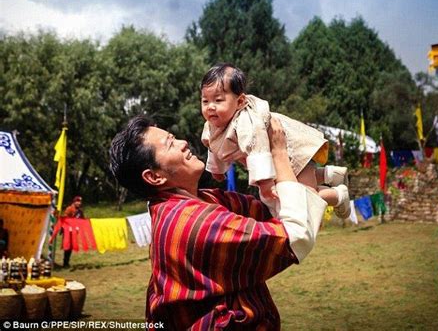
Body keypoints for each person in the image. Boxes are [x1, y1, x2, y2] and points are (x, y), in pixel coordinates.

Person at [109, 115, 328, 330]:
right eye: (170, 144)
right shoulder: (193, 220)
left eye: (174, 137)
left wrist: (252, 156)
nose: (183, 143)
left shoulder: (205, 199)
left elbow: (273, 210)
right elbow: (295, 237)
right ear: (155, 177)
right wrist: (280, 154)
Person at [200, 63, 350, 218]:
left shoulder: (247, 121)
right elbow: (212, 144)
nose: (210, 107)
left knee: (304, 199)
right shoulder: (212, 125)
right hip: (279, 161)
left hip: (293, 151)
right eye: (205, 101)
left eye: (218, 100)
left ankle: (338, 195)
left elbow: (257, 147)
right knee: (292, 193)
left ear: (239, 102)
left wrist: (265, 183)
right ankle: (330, 174)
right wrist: (216, 170)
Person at [62, 196, 85, 268]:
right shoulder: (69, 209)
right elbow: (65, 218)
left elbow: (82, 219)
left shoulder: (80, 211)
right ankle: (65, 262)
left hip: (75, 230)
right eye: (77, 201)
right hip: (68, 230)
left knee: (71, 246)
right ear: (74, 202)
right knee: (67, 246)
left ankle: (67, 262)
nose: (79, 203)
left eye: (80, 201)